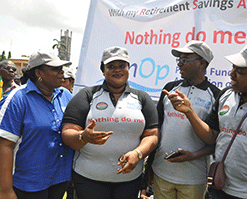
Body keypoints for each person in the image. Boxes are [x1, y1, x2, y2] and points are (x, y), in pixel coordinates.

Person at [164, 40, 247, 199]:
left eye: (240, 71)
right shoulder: (225, 95)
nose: (232, 74)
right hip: (220, 189)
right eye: (233, 68)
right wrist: (189, 112)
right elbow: (212, 137)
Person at [61, 46, 159, 199]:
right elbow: (67, 132)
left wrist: (137, 153)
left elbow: (152, 135)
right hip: (88, 177)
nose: (117, 70)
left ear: (129, 69)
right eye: (111, 66)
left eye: (122, 65)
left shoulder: (142, 98)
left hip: (129, 179)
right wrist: (83, 136)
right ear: (103, 70)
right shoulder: (86, 95)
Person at [0, 50, 74, 199]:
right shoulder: (18, 98)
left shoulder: (65, 95)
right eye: (55, 69)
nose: (62, 73)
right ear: (38, 73)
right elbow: (5, 146)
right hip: (29, 184)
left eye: (62, 69)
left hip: (59, 179)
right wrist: (5, 190)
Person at [151, 40, 220, 199]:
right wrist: (149, 166)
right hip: (162, 172)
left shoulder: (216, 95)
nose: (180, 64)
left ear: (201, 63)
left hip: (194, 178)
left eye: (185, 60)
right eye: (179, 60)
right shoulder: (170, 88)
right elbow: (157, 128)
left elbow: (216, 141)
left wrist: (194, 156)